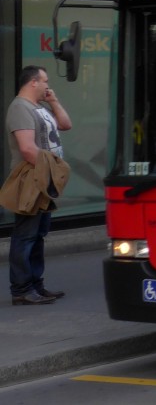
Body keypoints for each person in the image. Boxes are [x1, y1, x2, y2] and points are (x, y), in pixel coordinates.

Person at [6, 65, 72, 306]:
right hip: (32, 180)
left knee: (38, 234)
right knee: (25, 235)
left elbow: (65, 124)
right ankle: (22, 289)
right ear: (33, 82)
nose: (48, 85)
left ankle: (36, 285)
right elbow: (27, 148)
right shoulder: (20, 108)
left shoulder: (39, 107)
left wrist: (53, 101)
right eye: (45, 81)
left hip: (43, 179)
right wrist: (52, 170)